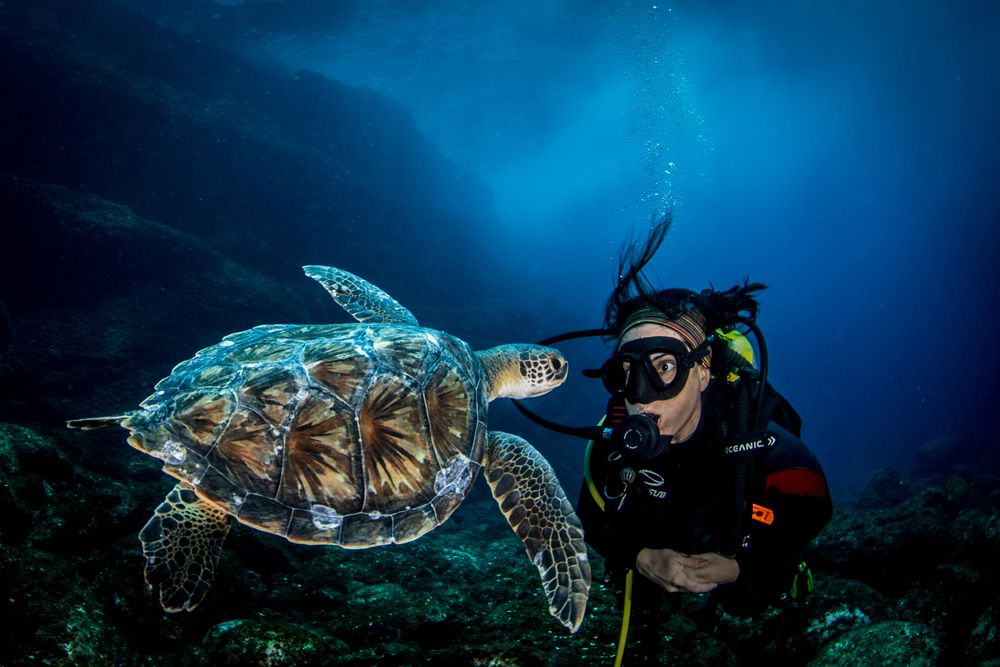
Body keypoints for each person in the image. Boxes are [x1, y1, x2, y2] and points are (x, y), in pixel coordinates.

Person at [575, 217, 833, 663]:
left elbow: (814, 507)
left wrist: (741, 565)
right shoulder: (612, 444)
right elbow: (590, 516)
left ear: (702, 369)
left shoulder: (752, 438)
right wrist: (640, 557)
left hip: (734, 547)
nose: (641, 395)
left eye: (664, 367)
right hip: (660, 547)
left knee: (749, 602)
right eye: (625, 373)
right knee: (637, 599)